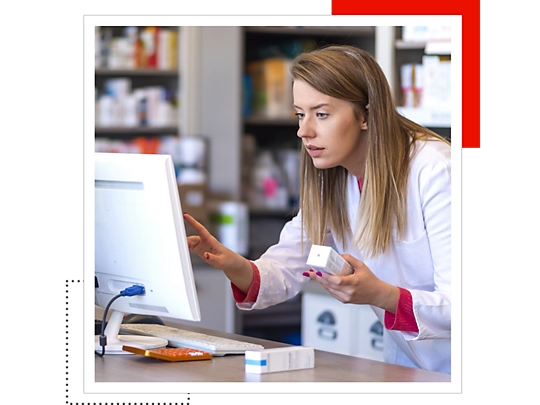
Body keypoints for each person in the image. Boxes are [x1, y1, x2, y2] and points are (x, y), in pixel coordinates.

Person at [184, 44, 451, 374]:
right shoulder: (334, 177)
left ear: (366, 115)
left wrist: (381, 295)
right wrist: (232, 263)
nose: (303, 130)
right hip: (411, 368)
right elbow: (284, 268)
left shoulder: (436, 170)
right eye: (300, 114)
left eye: (321, 114)